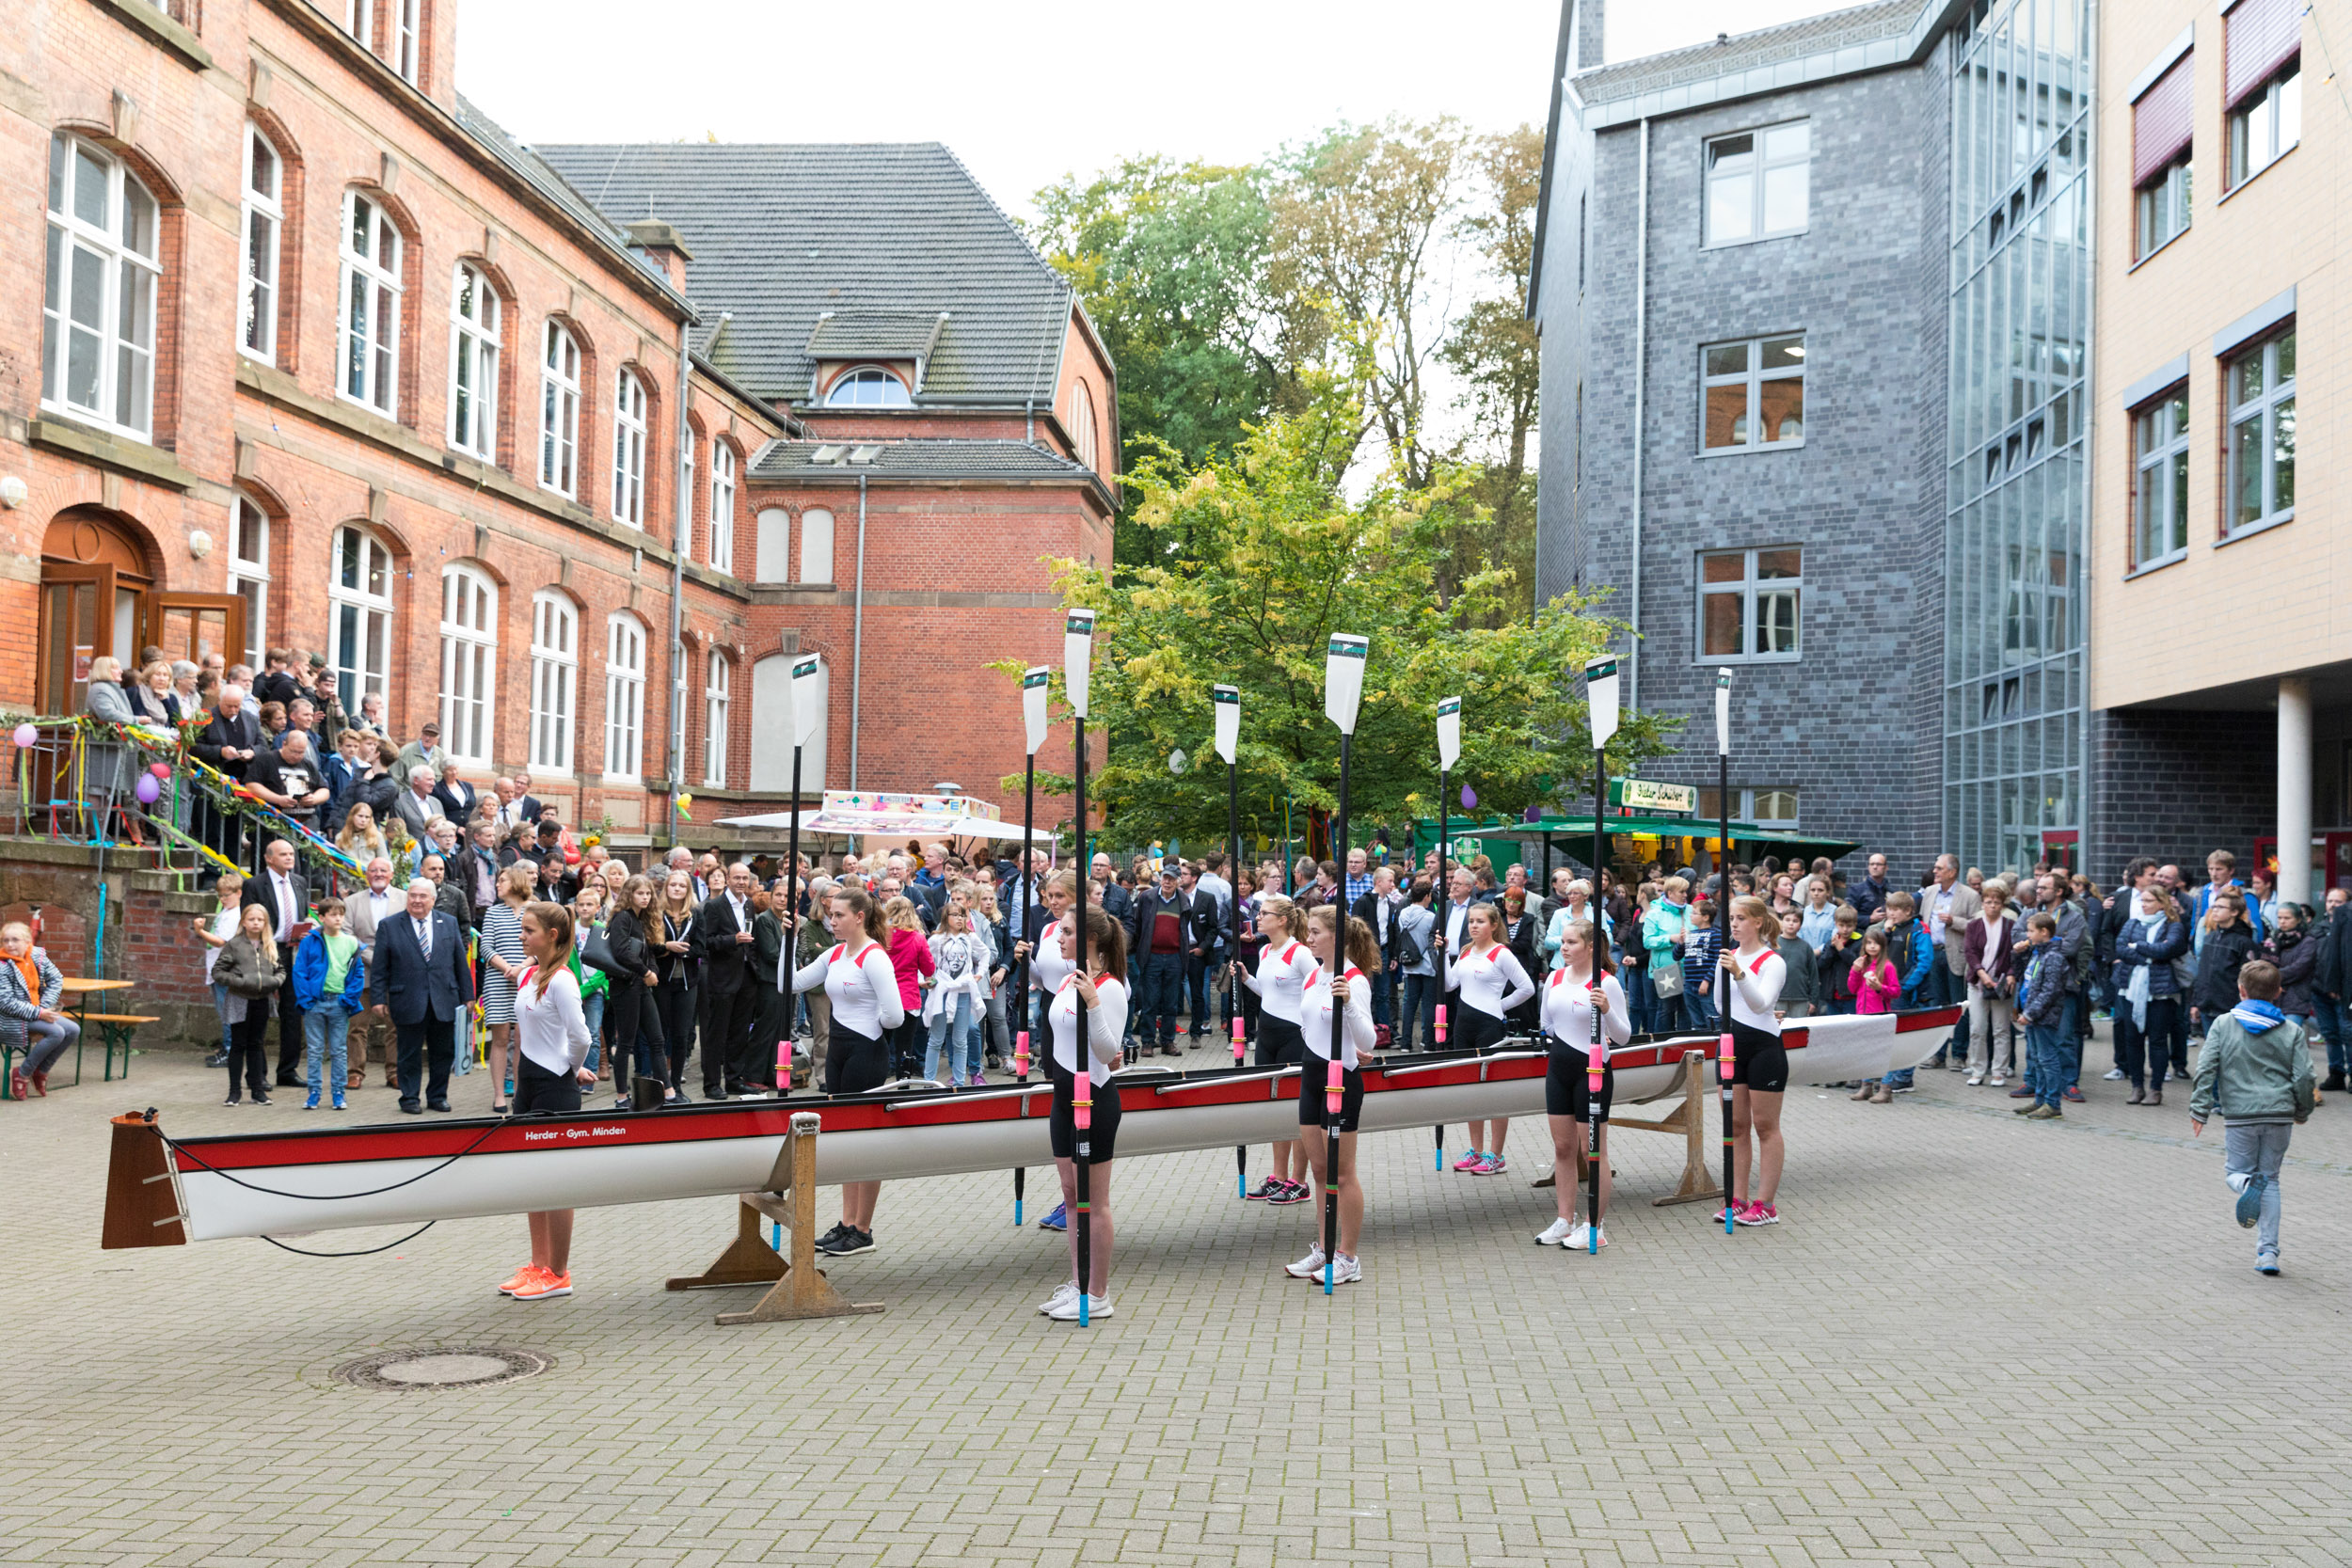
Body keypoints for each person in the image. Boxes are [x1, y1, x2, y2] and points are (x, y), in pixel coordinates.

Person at [790, 887, 907, 1256]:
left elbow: (895, 1015)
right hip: (838, 1050)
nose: (832, 920)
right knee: (842, 1139)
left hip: (866, 1050)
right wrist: (788, 941)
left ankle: (863, 1228)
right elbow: (788, 984)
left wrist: (871, 1027)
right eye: (830, 914)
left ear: (859, 917)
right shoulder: (834, 953)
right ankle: (846, 1224)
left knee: (865, 1141)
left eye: (839, 915)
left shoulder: (874, 958)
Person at [1034, 904, 1130, 1322]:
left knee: (1095, 1199)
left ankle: (1099, 1292)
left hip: (1093, 1096)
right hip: (1061, 1093)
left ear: (1090, 938)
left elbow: (1110, 1055)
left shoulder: (1108, 987)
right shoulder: (1067, 980)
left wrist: (1092, 1004)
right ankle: (1078, 1283)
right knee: (1071, 1195)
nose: (1059, 937)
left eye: (1067, 931)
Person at [2188, 958, 2313, 1277]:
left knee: (2236, 1172)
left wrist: (2200, 1108)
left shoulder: (2223, 1024)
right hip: (2279, 1114)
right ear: (2279, 992)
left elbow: (2206, 1067)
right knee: (2270, 1179)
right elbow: (2303, 1077)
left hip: (2240, 1114)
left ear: (2241, 990)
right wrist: (2302, 1110)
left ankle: (2246, 1186)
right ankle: (2268, 1253)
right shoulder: (2292, 1030)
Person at [500, 901, 596, 1303]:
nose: (521, 937)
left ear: (552, 936)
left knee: (557, 1181)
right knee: (531, 1178)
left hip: (555, 1085)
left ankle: (558, 1271)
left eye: (528, 931)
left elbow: (583, 1037)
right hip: (528, 1085)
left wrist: (570, 1068)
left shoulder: (562, 980)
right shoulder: (528, 973)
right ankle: (538, 1265)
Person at [1285, 905, 1379, 1283]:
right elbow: (1307, 1027)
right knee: (1320, 1169)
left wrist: (1350, 1007)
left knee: (1343, 1172)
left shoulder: (1354, 980)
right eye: (1307, 931)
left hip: (1342, 1080)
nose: (1307, 938)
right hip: (1312, 1073)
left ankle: (1349, 1257)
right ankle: (1324, 1248)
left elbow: (1369, 1040)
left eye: (1314, 932)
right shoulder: (1313, 976)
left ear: (1335, 937)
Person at [1535, 918, 1630, 1249]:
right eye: (1563, 942)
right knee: (1563, 1149)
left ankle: (1595, 1225)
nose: (1564, 947)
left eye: (1572, 942)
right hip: (1559, 1068)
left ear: (1590, 948)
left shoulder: (1607, 983)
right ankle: (1565, 1220)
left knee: (1594, 1151)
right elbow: (1547, 1023)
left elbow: (1623, 1035)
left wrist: (1606, 1011)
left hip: (1593, 1072)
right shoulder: (1555, 979)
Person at [1232, 895, 1319, 1203]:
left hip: (1293, 1037)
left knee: (1297, 1110)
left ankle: (1299, 1181)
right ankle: (1278, 1176)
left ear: (1282, 919)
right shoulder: (1266, 949)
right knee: (1274, 1108)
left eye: (1265, 913)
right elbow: (1268, 990)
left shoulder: (1300, 953)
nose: (1258, 917)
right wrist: (1245, 979)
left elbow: (1316, 988)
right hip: (1266, 1036)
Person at [365, 877, 474, 1115]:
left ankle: (437, 1097)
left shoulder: (449, 923)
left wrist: (468, 996)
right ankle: (409, 1098)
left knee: (442, 1053)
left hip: (444, 999)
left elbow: (459, 963)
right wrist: (378, 1000)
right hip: (407, 1000)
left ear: (433, 900)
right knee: (408, 1053)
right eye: (412, 895)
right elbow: (380, 968)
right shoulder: (389, 926)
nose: (416, 900)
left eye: (422, 896)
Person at [1444, 900, 1536, 1175]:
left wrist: (1500, 1007)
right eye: (1471, 921)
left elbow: (1527, 988)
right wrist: (1439, 955)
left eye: (1480, 921)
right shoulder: (1465, 951)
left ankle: (1496, 1155)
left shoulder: (1502, 954)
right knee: (1470, 1089)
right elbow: (1450, 984)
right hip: (1463, 1024)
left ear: (1494, 925)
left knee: (1495, 1091)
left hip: (1489, 1026)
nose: (1474, 926)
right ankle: (1476, 1150)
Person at [1718, 896, 1789, 1225]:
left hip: (1764, 1047)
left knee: (1765, 1126)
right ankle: (1737, 1199)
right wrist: (1732, 969)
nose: (1734, 924)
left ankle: (1766, 1204)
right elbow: (1721, 1004)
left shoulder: (1772, 961)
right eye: (1731, 917)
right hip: (1732, 1045)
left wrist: (1740, 974)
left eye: (1741, 918)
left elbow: (1761, 1005)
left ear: (1758, 922)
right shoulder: (1728, 956)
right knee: (1735, 1125)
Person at [2111, 882, 2188, 1106]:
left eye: (2148, 901)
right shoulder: (2133, 923)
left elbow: (2168, 949)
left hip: (2161, 993)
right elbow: (2121, 949)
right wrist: (2148, 955)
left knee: (2157, 1040)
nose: (2143, 905)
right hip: (2130, 989)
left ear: (2161, 903)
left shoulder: (2173, 926)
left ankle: (2156, 1089)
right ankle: (2137, 1087)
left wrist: (2138, 946)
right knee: (2132, 1039)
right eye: (2142, 901)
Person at [242, 838, 310, 1087]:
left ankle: (288, 1071)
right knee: (259, 1012)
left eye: (291, 853)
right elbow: (248, 920)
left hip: (293, 951)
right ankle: (257, 1075)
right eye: (283, 854)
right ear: (269, 858)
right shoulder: (254, 884)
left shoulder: (300, 882)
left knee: (292, 1011)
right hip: (265, 950)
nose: (290, 858)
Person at [694, 863, 763, 1095]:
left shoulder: (749, 904)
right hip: (722, 978)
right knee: (717, 1034)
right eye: (737, 878)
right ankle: (712, 1084)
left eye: (745, 878)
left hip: (746, 977)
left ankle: (734, 1080)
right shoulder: (715, 906)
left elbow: (752, 939)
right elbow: (706, 941)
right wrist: (732, 939)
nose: (741, 882)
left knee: (740, 1032)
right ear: (728, 879)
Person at [291, 897, 365, 1111]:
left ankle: (338, 1094)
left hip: (339, 1003)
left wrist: (348, 999)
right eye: (333, 915)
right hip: (315, 1003)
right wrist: (306, 1000)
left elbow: (357, 973)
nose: (338, 918)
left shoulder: (351, 942)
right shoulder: (310, 941)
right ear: (321, 918)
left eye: (341, 914)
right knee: (314, 1050)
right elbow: (300, 971)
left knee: (339, 1050)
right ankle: (314, 1093)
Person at [476, 863, 535, 1115]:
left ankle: (521, 1094)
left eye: (502, 880)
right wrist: (507, 969)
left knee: (523, 1041)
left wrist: (522, 967)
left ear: (516, 881)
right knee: (500, 1040)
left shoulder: (535, 909)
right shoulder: (493, 912)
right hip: (498, 981)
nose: (498, 884)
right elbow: (485, 948)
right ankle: (499, 1095)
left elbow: (541, 945)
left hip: (528, 979)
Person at [0, 923, 79, 1101]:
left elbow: (56, 978)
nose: (10, 945)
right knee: (56, 1032)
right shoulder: (2, 965)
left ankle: (41, 1071)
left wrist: (44, 1006)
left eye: (15, 940)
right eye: (6, 940)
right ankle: (22, 1073)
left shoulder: (36, 956)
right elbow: (5, 1003)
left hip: (36, 1010)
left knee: (73, 1029)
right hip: (10, 1018)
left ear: (27, 941)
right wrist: (40, 1013)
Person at [214, 903, 282, 1106]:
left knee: (256, 1044)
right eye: (252, 919)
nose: (256, 923)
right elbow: (218, 972)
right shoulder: (234, 945)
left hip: (262, 1000)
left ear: (265, 923)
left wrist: (275, 982)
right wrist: (240, 982)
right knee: (238, 1045)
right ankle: (234, 1092)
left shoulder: (270, 945)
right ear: (243, 922)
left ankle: (258, 1091)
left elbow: (281, 970)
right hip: (239, 1000)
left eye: (260, 920)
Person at [2189, 894, 2259, 1087]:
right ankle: (2215, 1098)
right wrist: (2196, 1002)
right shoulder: (2211, 937)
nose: (2215, 910)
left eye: (2221, 907)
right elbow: (2202, 973)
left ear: (2235, 912)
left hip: (2230, 1008)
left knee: (2231, 1055)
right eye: (2214, 906)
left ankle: (2230, 1098)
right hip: (2207, 1005)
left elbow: (2249, 978)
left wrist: (2245, 1006)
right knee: (2211, 1055)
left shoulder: (2243, 942)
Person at [603, 874, 659, 1107]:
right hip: (625, 986)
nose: (645, 897)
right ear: (630, 894)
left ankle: (668, 1091)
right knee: (625, 1043)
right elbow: (622, 951)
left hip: (640, 985)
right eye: (640, 893)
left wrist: (652, 970)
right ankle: (621, 1096)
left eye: (648, 893)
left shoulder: (640, 919)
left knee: (657, 1039)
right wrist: (647, 972)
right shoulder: (622, 918)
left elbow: (649, 951)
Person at [1962, 881, 2018, 1086]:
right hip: (1978, 984)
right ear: (1982, 904)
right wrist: (1981, 973)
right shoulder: (1973, 926)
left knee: (2001, 1029)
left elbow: (2015, 954)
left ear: (2002, 905)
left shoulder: (2011, 926)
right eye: (1988, 902)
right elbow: (1970, 952)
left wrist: (2011, 974)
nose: (1992, 906)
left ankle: (1999, 1071)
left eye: (1996, 902)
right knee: (1977, 1028)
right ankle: (1977, 1069)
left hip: (2002, 985)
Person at [2014, 911, 2070, 1119]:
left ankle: (2053, 1103)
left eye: (2030, 931)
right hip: (2034, 1013)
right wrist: (2018, 954)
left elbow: (2050, 990)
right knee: (2037, 1058)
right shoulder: (2037, 953)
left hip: (2044, 1016)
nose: (2027, 935)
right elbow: (2024, 977)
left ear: (2044, 932)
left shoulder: (2053, 957)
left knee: (2048, 1059)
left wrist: (2030, 1013)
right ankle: (2040, 1100)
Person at [651, 871, 700, 1098]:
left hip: (688, 982)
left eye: (682, 885)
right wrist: (667, 948)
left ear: (688, 889)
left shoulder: (696, 914)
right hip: (662, 981)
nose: (678, 888)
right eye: (674, 885)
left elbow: (703, 946)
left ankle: (677, 1086)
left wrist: (685, 952)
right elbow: (650, 946)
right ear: (666, 888)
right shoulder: (657, 913)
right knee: (659, 1034)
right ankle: (660, 1083)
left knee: (681, 1035)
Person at [194, 869, 246, 1070]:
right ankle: (229, 1048)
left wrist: (200, 931)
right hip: (219, 969)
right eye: (220, 895)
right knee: (225, 1010)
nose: (223, 899)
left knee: (227, 1012)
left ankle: (230, 1049)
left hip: (226, 971)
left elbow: (220, 942)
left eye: (227, 895)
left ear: (239, 893)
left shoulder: (234, 915)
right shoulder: (228, 912)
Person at [880, 895, 935, 1081]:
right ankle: (903, 1086)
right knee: (905, 1048)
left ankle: (876, 1085)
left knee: (881, 1045)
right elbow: (928, 969)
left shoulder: (879, 937)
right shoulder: (918, 938)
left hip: (883, 998)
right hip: (908, 998)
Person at [1393, 879, 1437, 1052]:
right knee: (1428, 1004)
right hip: (1427, 965)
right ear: (1427, 896)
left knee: (1409, 1004)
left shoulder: (1403, 914)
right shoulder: (1430, 917)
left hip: (1409, 965)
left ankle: (1405, 1043)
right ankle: (1427, 1042)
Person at [1679, 898, 1722, 1032]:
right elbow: (1677, 956)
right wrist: (1681, 942)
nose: (1691, 916)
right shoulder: (1691, 934)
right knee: (1696, 1021)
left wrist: (1707, 980)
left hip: (1706, 985)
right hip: (1689, 983)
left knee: (1712, 1018)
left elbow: (1718, 960)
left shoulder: (1716, 934)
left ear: (1705, 917)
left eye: (1694, 913)